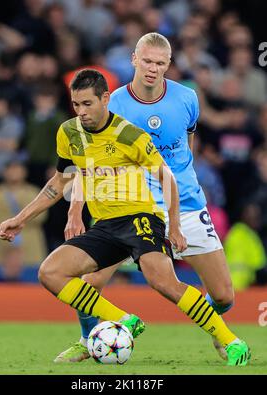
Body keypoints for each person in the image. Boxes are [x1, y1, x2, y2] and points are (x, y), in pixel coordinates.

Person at [0, 68, 250, 366]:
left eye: (87, 104)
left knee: (164, 282)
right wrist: (21, 218)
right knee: (50, 272)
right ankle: (124, 320)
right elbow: (61, 180)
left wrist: (176, 226)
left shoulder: (130, 135)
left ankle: (231, 341)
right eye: (76, 105)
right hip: (106, 226)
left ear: (105, 99)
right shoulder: (68, 132)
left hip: (141, 218)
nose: (81, 112)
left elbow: (167, 180)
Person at [59, 34, 241, 363]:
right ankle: (88, 339)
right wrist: (76, 209)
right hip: (133, 205)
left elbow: (186, 143)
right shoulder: (111, 102)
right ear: (134, 59)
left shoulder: (187, 98)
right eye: (147, 61)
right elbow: (89, 162)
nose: (153, 69)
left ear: (168, 65)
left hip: (185, 201)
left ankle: (214, 326)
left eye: (160, 63)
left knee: (224, 296)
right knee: (90, 281)